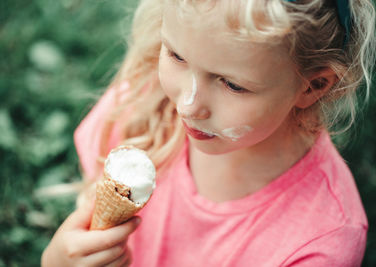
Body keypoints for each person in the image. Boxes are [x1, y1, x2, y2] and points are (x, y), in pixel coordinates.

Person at [41, 0, 376, 266]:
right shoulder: (139, 104)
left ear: (313, 85)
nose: (188, 106)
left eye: (232, 84)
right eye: (175, 54)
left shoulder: (320, 241)